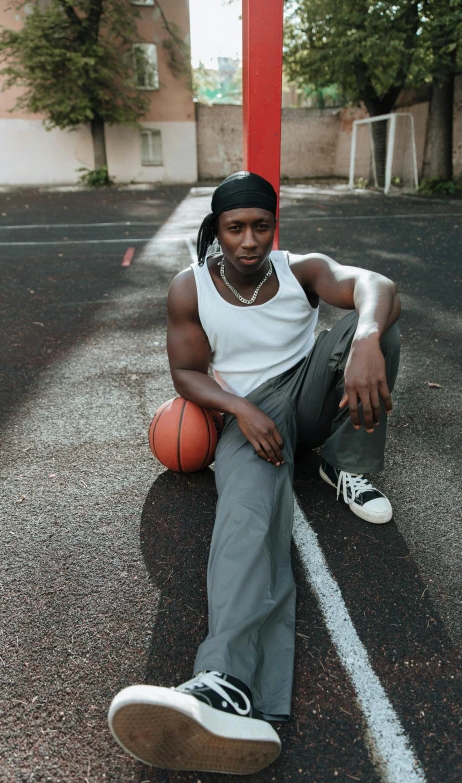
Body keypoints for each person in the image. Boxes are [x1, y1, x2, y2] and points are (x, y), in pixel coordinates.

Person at [107, 171, 401, 774]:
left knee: (376, 325)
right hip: (250, 415)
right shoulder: (190, 289)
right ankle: (225, 683)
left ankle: (345, 465)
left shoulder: (302, 269)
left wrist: (367, 334)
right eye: (235, 227)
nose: (248, 240)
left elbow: (375, 282)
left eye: (260, 226)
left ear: (275, 226)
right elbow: (187, 373)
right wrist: (239, 409)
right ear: (217, 229)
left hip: (312, 396)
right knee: (245, 520)